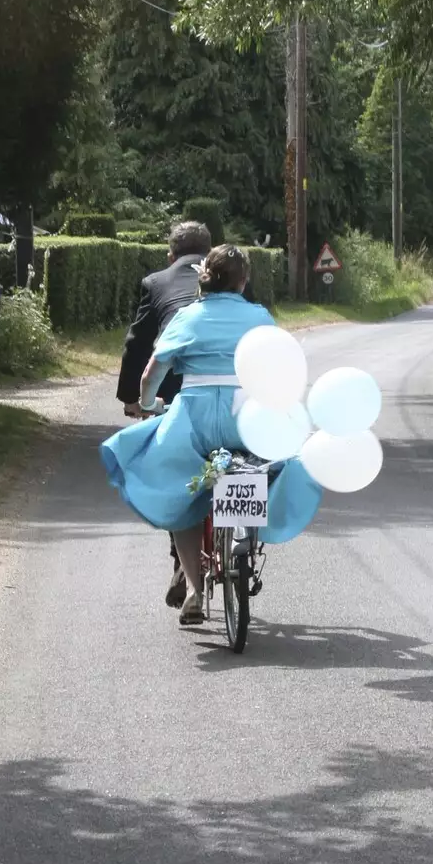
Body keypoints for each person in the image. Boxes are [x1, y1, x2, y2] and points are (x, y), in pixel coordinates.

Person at [101, 245, 322, 626]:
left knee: (179, 487)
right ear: (244, 281)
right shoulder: (259, 317)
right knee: (268, 464)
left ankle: (193, 588)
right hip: (246, 415)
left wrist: (150, 404)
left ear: (205, 277)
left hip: (194, 417)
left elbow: (152, 372)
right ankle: (246, 537)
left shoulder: (189, 317)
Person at [116, 219, 212, 610]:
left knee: (177, 473)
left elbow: (138, 344)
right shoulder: (235, 274)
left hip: (175, 391)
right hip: (234, 388)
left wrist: (131, 399)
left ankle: (184, 565)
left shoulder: (156, 283)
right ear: (210, 252)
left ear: (171, 254)